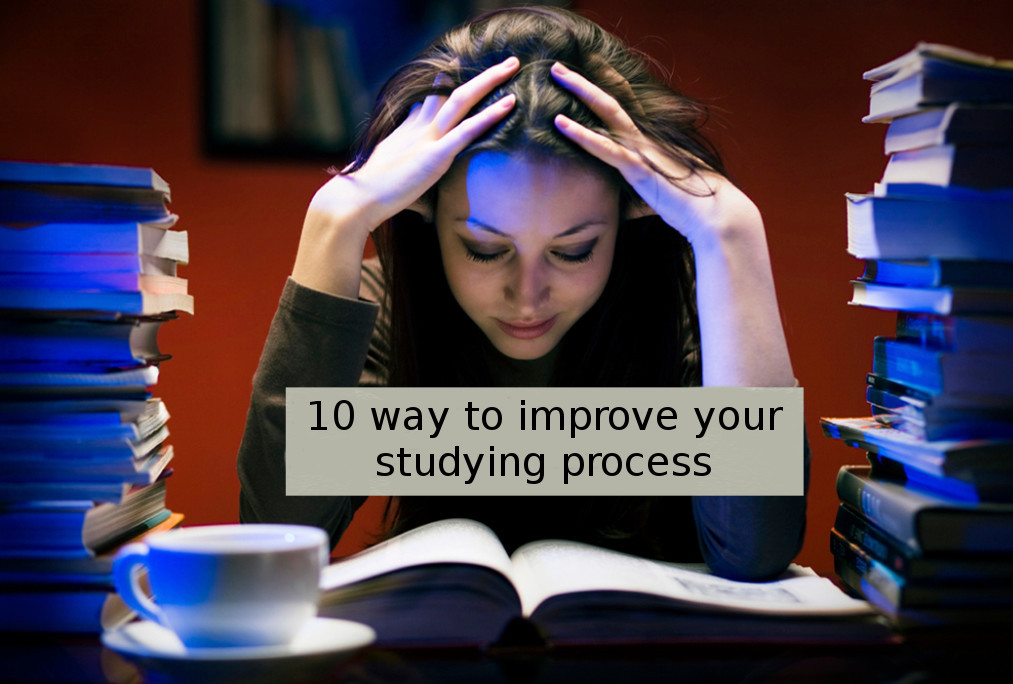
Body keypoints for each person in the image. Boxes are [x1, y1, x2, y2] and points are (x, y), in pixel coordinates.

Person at [238, 5, 808, 581]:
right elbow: (278, 537)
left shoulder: (692, 308)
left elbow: (755, 547)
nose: (528, 297)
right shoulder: (384, 308)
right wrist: (333, 219)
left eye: (574, 250)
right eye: (485, 250)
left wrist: (733, 231)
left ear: (630, 213)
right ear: (427, 214)